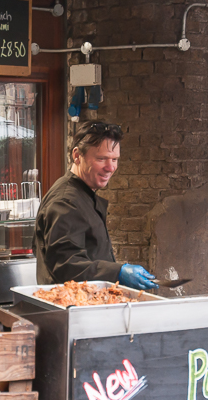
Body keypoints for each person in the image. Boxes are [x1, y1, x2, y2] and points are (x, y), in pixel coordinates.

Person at [33, 120, 158, 290]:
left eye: (115, 159)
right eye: (102, 159)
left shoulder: (82, 193)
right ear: (77, 156)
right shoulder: (65, 202)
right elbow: (66, 267)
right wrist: (117, 272)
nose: (111, 167)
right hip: (69, 308)